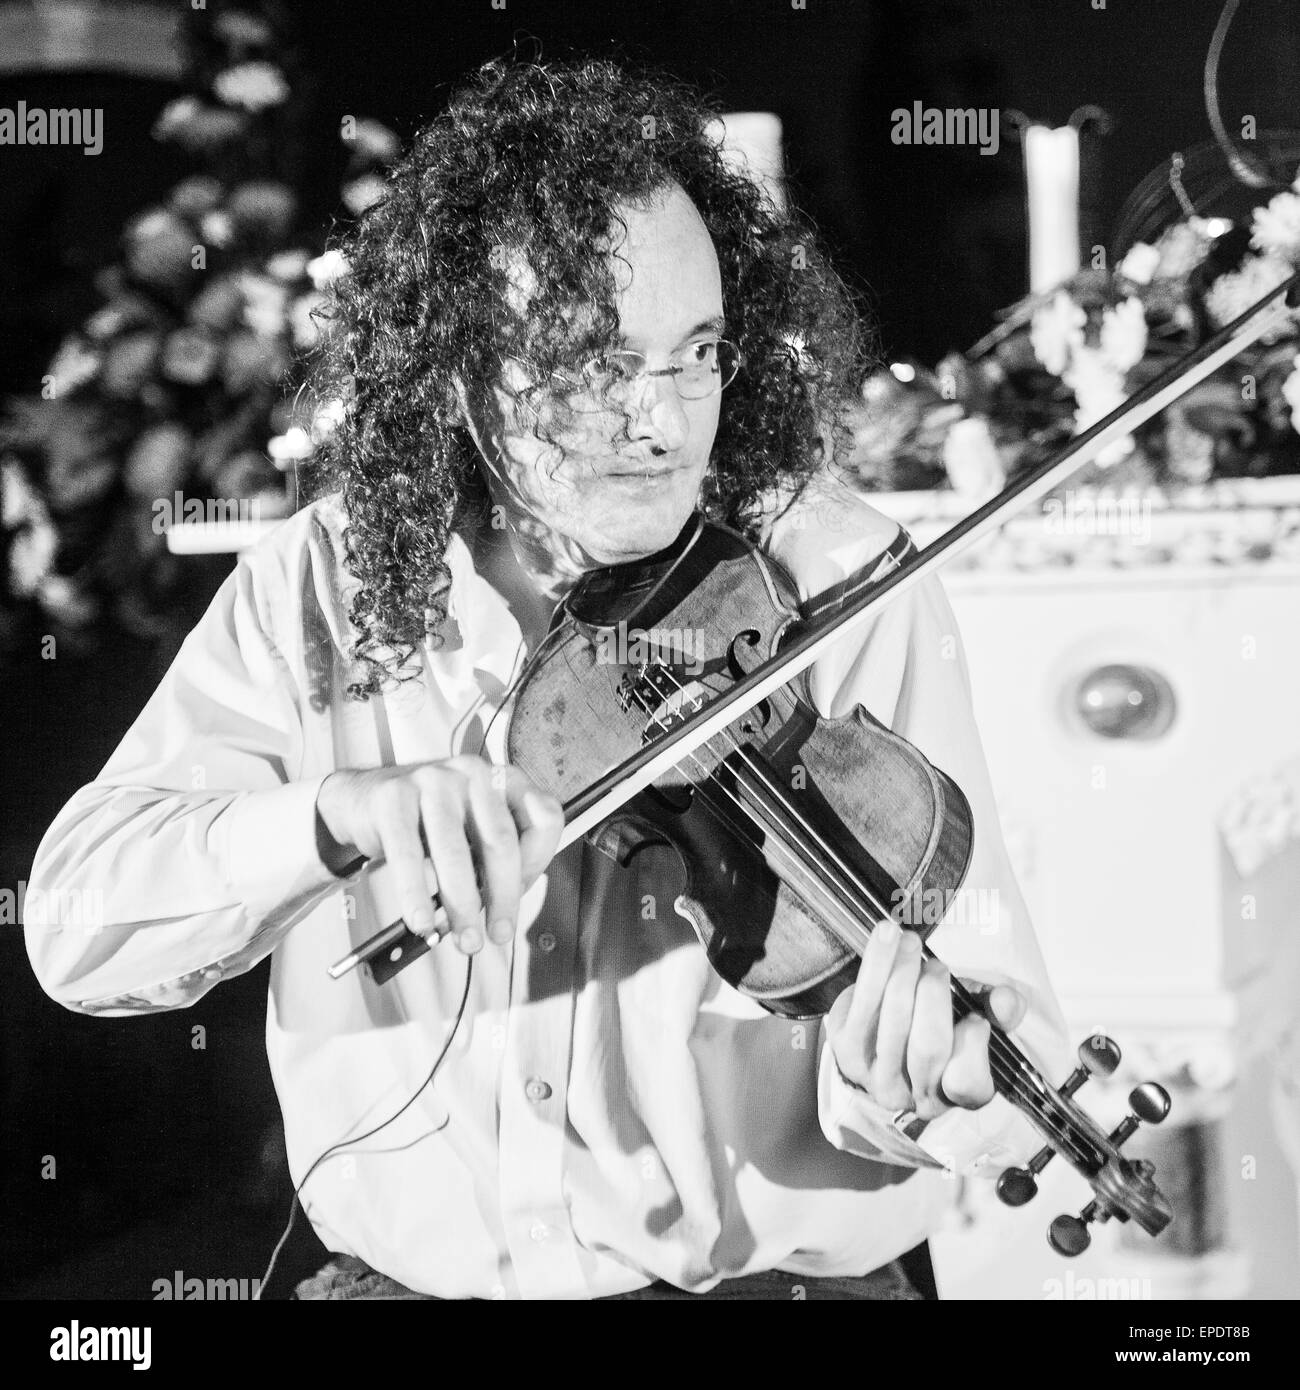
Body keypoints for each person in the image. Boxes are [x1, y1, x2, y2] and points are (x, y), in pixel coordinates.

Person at [25, 56, 1068, 1300]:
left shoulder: (833, 576)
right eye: (592, 361)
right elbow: (77, 931)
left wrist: (921, 1089)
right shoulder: (320, 581)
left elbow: (985, 980)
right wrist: (327, 822)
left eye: (697, 352)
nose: (664, 423)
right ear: (461, 368)